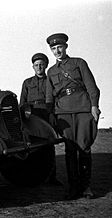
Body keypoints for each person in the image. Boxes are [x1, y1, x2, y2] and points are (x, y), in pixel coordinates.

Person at [45, 33, 100, 200]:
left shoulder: (79, 63)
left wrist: (94, 106)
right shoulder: (51, 71)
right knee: (70, 150)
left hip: (83, 109)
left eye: (59, 47)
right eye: (53, 48)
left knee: (84, 148)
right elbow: (49, 97)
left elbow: (92, 86)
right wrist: (51, 115)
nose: (57, 51)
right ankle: (73, 188)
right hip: (63, 113)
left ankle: (86, 186)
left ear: (66, 47)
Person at [20, 53, 61, 186]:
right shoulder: (27, 82)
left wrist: (52, 115)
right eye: (36, 65)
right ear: (33, 67)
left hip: (46, 113)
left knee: (49, 146)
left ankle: (52, 177)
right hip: (31, 116)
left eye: (41, 65)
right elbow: (22, 102)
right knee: (31, 146)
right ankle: (32, 177)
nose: (39, 67)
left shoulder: (51, 80)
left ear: (45, 66)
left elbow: (55, 99)